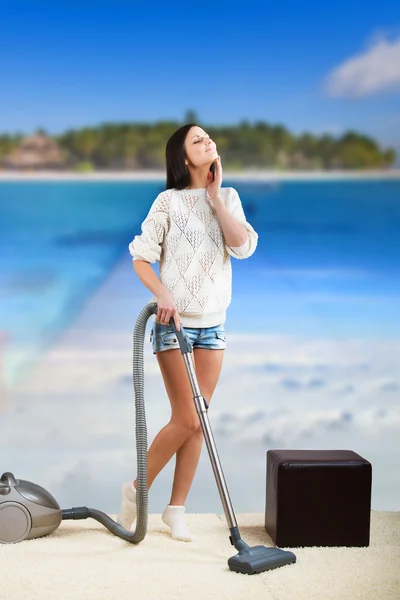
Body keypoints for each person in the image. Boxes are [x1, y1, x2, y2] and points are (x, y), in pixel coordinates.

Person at [118, 123, 258, 541]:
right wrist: (162, 293)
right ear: (182, 157)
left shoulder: (228, 198)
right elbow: (141, 257)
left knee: (199, 422)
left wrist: (215, 200)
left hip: (214, 325)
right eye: (197, 140)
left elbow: (243, 247)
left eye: (208, 137)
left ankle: (175, 508)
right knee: (188, 416)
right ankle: (136, 489)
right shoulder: (167, 202)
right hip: (173, 326)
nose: (207, 142)